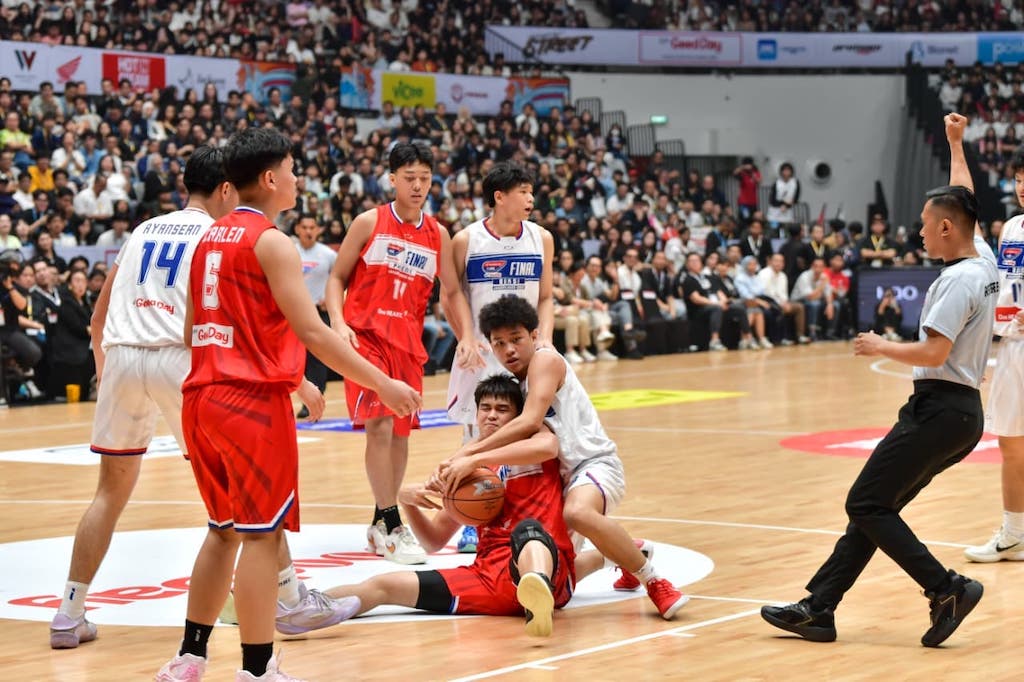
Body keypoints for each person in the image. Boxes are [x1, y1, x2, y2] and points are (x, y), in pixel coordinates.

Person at [155, 128, 421, 682]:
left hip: (200, 397)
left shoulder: (209, 238)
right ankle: (256, 671)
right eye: (293, 170)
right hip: (250, 404)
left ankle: (190, 657)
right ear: (271, 178)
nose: (299, 179)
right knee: (260, 536)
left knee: (221, 530)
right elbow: (317, 334)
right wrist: (386, 384)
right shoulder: (271, 241)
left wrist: (282, 371)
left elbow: (190, 329)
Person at [761, 175, 998, 647]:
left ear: (948, 227)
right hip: (962, 414)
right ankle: (819, 609)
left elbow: (933, 353)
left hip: (938, 409)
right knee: (877, 510)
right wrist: (954, 143)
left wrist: (879, 345)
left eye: (926, 225)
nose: (920, 233)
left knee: (865, 503)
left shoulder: (956, 281)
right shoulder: (984, 259)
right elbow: (963, 194)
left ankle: (946, 589)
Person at [49, 147, 238, 649]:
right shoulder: (219, 235)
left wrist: (108, 373)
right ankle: (276, 595)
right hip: (179, 358)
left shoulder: (143, 229)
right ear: (225, 189)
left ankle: (68, 614)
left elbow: (97, 319)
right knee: (231, 487)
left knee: (108, 492)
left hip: (124, 354)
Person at [293, 375, 605, 636]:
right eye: (485, 408)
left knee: (528, 532)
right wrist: (408, 503)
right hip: (487, 579)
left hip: (549, 572)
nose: (492, 415)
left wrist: (475, 456)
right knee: (383, 585)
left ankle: (538, 596)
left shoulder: (533, 443)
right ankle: (295, 609)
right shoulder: (468, 471)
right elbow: (433, 540)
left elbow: (547, 446)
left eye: (502, 409)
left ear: (518, 418)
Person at [442, 295, 689, 620]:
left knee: (576, 513)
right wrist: (456, 460)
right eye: (499, 343)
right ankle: (628, 552)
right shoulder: (518, 382)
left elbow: (529, 423)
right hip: (563, 477)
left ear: (534, 335)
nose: (509, 350)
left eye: (516, 339)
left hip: (594, 462)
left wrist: (469, 456)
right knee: (560, 564)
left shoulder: (546, 361)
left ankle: (655, 581)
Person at [324, 141, 481, 565]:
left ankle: (382, 522)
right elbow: (336, 278)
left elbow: (450, 291)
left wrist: (465, 333)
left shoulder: (437, 233)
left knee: (399, 432)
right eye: (409, 178)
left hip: (407, 344)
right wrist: (338, 324)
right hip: (367, 339)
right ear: (391, 179)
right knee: (377, 426)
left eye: (424, 179)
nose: (417, 186)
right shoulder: (368, 222)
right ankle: (391, 523)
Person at [957, 115, 1024, 562]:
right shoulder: (1012, 228)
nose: (1022, 186)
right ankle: (1014, 533)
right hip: (1015, 347)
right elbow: (1004, 292)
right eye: (1019, 179)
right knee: (1011, 443)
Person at [293, 213, 337, 419]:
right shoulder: (289, 251)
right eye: (305, 227)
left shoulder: (328, 255)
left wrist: (331, 300)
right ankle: (303, 398)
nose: (309, 231)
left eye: (312, 227)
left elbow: (339, 281)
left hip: (319, 313)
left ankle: (315, 401)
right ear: (297, 230)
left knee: (317, 360)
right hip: (294, 312)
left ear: (318, 230)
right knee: (296, 358)